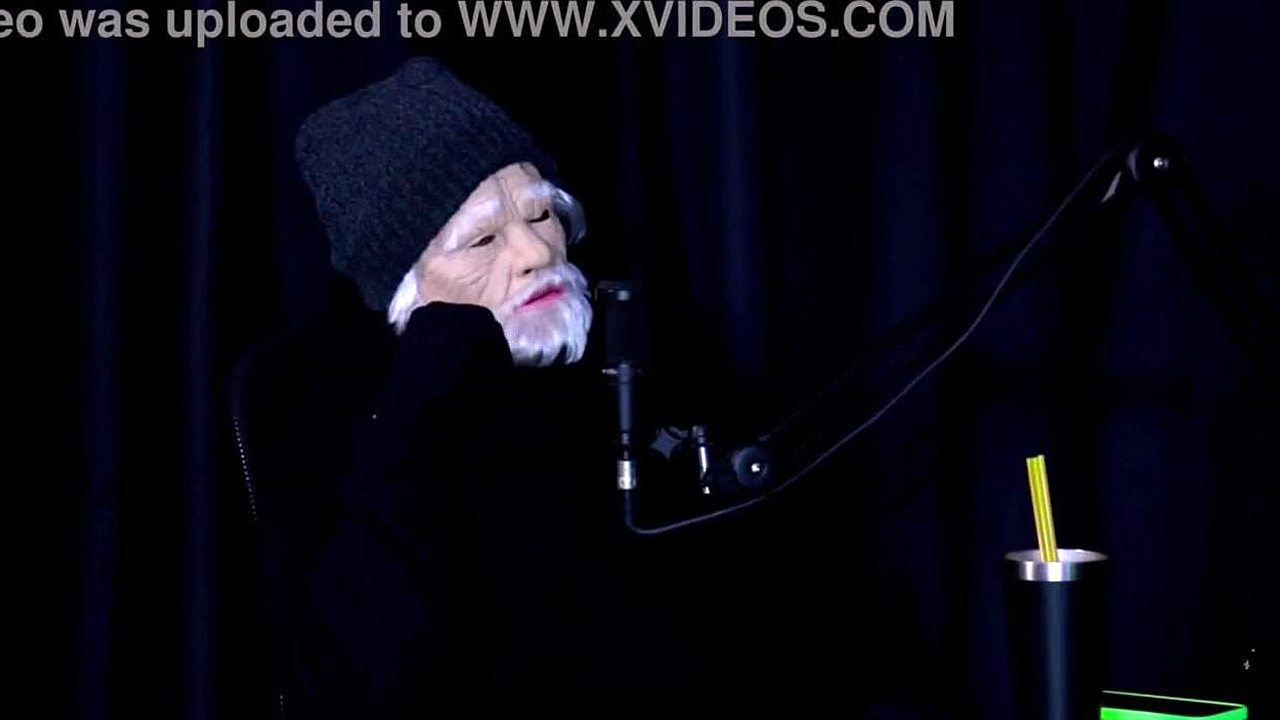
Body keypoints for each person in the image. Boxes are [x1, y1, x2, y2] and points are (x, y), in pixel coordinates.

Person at [231, 58, 705, 713]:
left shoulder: (630, 377)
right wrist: (421, 400)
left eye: (542, 215)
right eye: (482, 239)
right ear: (406, 290)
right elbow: (373, 674)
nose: (537, 253)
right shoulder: (335, 429)